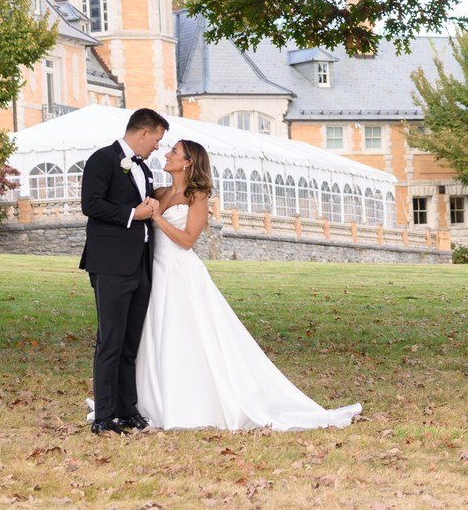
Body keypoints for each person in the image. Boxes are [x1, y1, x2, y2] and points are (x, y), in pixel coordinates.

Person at [135, 137, 360, 431]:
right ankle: (154, 398)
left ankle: (189, 402)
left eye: (174, 151)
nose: (167, 154)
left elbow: (189, 240)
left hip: (180, 271)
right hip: (156, 271)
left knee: (184, 334)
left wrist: (158, 219)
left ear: (188, 162)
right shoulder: (160, 192)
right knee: (157, 333)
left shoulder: (198, 197)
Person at [81, 106, 170, 433]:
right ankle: (104, 416)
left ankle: (127, 408)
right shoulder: (102, 160)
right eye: (157, 139)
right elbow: (90, 204)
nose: (158, 146)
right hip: (111, 263)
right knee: (111, 340)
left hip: (140, 263)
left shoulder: (143, 169)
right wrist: (134, 213)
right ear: (143, 132)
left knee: (131, 341)